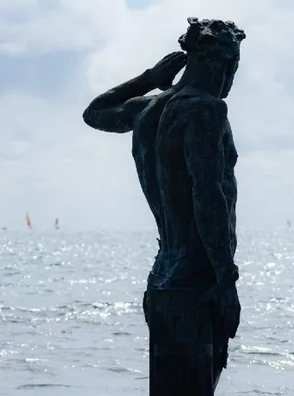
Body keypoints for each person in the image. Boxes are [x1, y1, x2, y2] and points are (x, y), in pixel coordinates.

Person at [83, 17, 245, 377]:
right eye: (234, 64)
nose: (232, 77)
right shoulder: (206, 109)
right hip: (199, 279)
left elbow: (94, 113)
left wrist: (148, 80)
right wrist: (226, 280)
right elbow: (208, 194)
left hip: (162, 277)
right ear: (221, 61)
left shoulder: (147, 108)